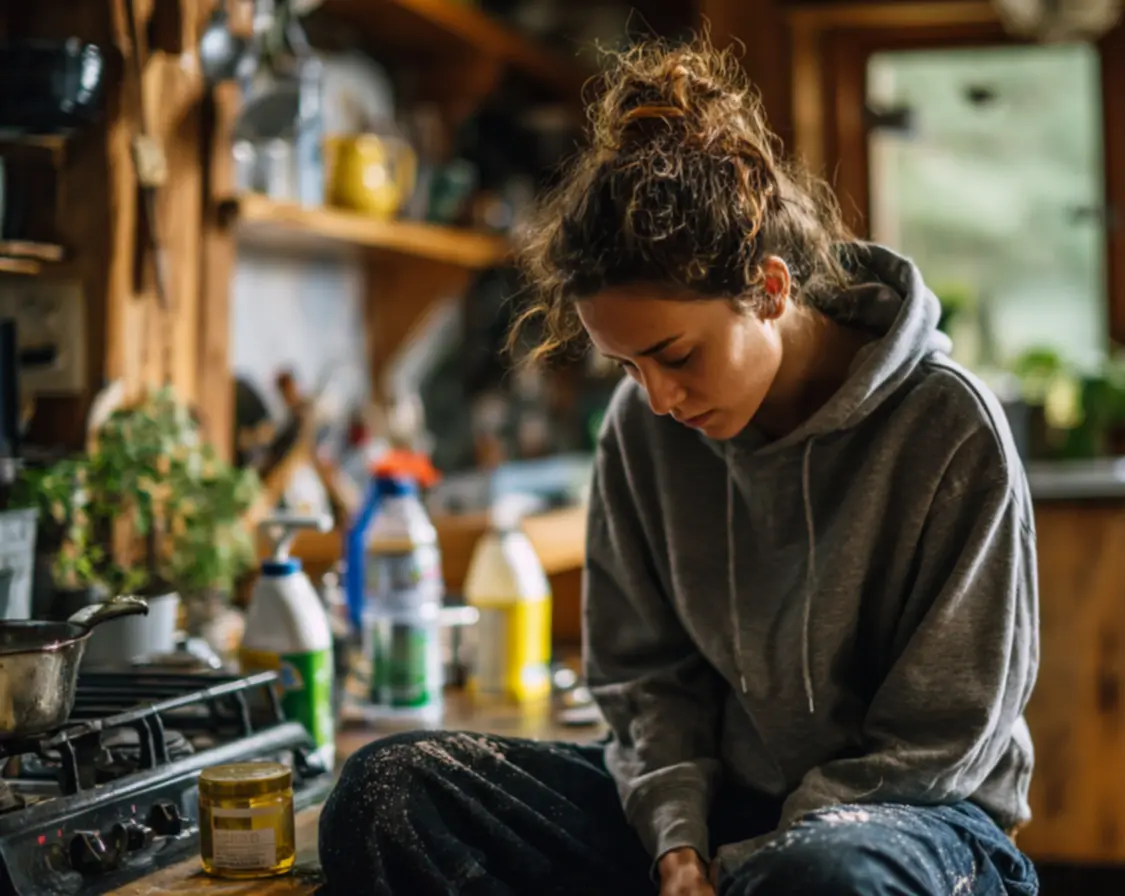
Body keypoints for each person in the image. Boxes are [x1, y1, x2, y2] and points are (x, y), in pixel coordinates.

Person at [318, 35, 1039, 896]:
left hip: (917, 821)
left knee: (818, 881)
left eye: (676, 356)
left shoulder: (950, 428)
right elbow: (645, 683)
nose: (658, 399)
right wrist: (678, 848)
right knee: (387, 790)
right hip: (714, 813)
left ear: (770, 289)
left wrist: (744, 868)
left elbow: (943, 735)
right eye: (628, 368)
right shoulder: (644, 427)